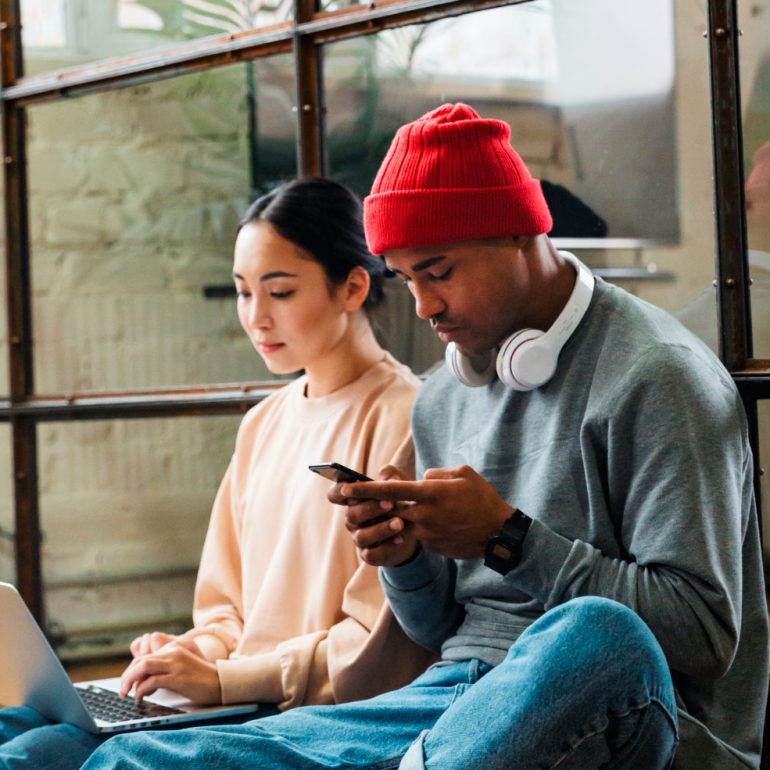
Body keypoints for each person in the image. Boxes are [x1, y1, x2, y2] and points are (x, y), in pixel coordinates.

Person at [83, 104, 769, 770]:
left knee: (600, 636)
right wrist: (405, 560)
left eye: (439, 272)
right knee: (132, 757)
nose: (424, 306)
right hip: (448, 703)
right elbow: (441, 632)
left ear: (519, 235)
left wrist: (507, 536)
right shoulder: (446, 396)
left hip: (635, 707)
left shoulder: (658, 376)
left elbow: (701, 635)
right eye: (407, 279)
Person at [0, 177, 433, 769]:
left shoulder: (406, 419)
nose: (256, 318)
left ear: (353, 286)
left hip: (303, 719)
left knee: (33, 759)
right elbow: (225, 611)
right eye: (242, 292)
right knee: (14, 729)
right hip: (226, 702)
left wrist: (222, 680)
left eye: (279, 292)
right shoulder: (263, 424)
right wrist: (184, 655)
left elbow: (374, 649)